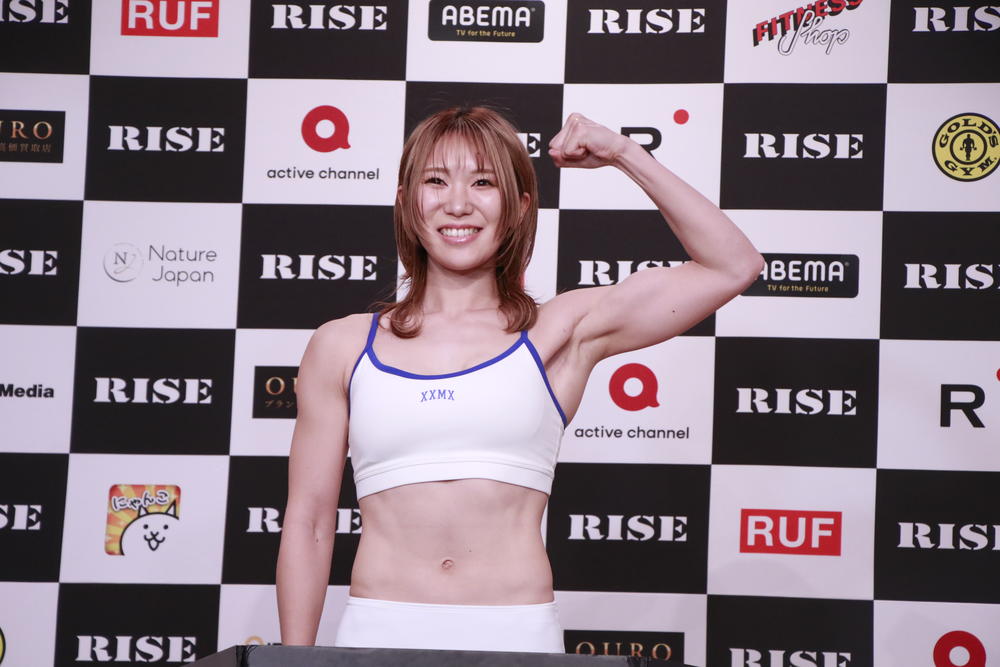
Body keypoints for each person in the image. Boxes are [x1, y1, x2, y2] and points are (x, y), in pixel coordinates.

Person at [275, 107, 763, 653]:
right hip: (377, 631)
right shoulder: (341, 345)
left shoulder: (560, 331)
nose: (457, 204)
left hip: (516, 634)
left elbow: (733, 265)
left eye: (483, 183)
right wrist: (291, 660)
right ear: (406, 201)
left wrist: (624, 153)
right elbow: (309, 521)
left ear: (519, 207)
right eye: (435, 181)